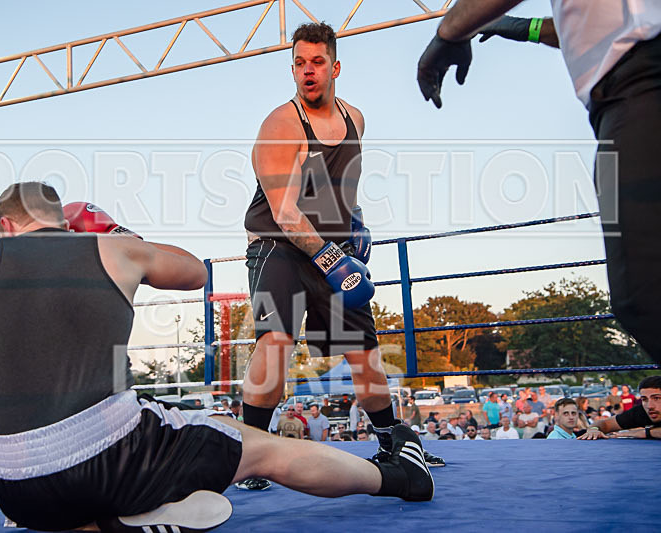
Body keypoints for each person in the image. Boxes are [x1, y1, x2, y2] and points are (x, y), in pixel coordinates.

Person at [0, 183, 434, 532]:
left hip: (17, 491)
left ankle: (109, 521)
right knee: (265, 449)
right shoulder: (112, 246)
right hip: (117, 459)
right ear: (62, 218)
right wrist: (122, 234)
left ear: (6, 226)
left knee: (75, 477)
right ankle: (402, 479)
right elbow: (194, 273)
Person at [239, 21, 443, 490]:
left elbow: (345, 180)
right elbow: (284, 210)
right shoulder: (281, 124)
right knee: (277, 340)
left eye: (316, 63)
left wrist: (355, 222)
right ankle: (251, 449)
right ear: (292, 68)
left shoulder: (356, 119)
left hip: (333, 243)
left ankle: (395, 443)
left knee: (362, 349)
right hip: (279, 245)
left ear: (335, 67)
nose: (307, 72)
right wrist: (333, 258)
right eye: (299, 64)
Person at [416, 1, 661, 367]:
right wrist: (518, 27)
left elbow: (627, 33)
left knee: (645, 295)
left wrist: (449, 31)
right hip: (634, 82)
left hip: (641, 85)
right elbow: (596, 27)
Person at [579, 376, 661, 440]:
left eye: (656, 398)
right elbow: (605, 424)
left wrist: (645, 433)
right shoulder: (641, 411)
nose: (650, 406)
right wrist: (593, 429)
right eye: (644, 399)